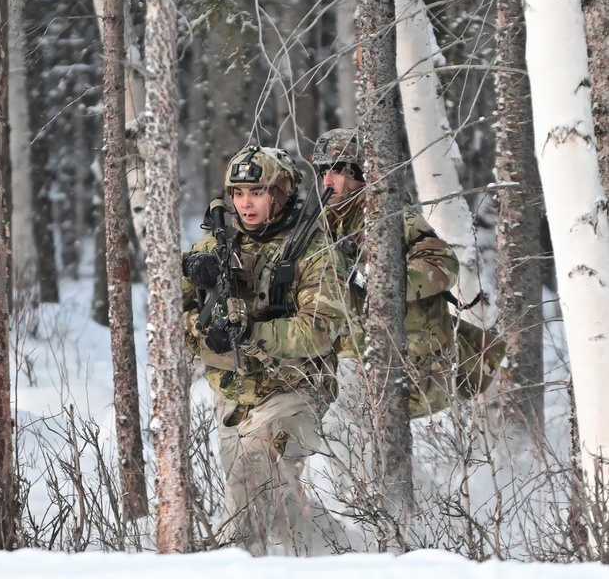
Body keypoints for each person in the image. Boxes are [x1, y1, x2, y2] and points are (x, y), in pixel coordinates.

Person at [181, 145, 351, 556]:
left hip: (294, 391)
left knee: (252, 478)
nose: (245, 203)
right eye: (238, 193)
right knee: (276, 501)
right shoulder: (211, 249)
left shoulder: (313, 249)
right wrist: (204, 324)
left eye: (256, 192)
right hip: (234, 397)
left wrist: (250, 331)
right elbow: (171, 321)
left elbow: (319, 331)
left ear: (280, 192)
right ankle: (340, 556)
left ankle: (231, 571)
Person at [311, 128, 461, 416]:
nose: (327, 180)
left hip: (413, 369)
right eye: (323, 171)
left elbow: (444, 264)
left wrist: (379, 278)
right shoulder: (329, 218)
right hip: (360, 360)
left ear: (359, 173)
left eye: (337, 171)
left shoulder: (394, 217)